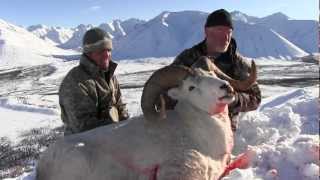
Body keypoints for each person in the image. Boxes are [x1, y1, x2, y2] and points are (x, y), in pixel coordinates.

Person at [171, 9, 261, 131]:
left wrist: (234, 99)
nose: (226, 37)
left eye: (229, 32)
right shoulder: (187, 58)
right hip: (190, 123)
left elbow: (255, 98)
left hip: (224, 125)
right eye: (220, 31)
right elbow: (168, 91)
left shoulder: (239, 63)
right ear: (206, 32)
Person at [59, 27, 129, 135]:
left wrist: (128, 126)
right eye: (101, 51)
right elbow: (83, 127)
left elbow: (120, 106)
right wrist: (116, 128)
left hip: (113, 138)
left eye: (109, 50)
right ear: (88, 53)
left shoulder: (110, 76)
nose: (107, 55)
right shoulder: (75, 82)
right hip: (81, 147)